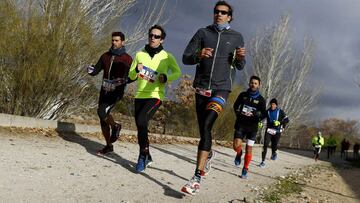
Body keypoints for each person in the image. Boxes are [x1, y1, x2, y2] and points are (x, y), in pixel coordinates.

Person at [181, 0, 246, 195]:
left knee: (208, 125)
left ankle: (196, 178)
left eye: (223, 12)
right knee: (204, 132)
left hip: (221, 90)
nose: (219, 14)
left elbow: (240, 66)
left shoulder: (236, 37)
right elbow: (186, 57)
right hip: (201, 88)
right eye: (216, 11)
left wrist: (241, 58)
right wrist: (198, 55)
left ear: (229, 17)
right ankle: (208, 154)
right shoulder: (203, 33)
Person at [129, 25, 181, 173]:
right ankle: (147, 155)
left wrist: (166, 78)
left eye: (156, 36)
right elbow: (131, 76)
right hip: (140, 94)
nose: (153, 38)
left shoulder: (167, 56)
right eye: (151, 35)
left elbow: (177, 73)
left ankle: (142, 156)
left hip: (156, 95)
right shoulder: (140, 54)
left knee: (141, 119)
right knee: (141, 125)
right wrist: (136, 70)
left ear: (162, 40)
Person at [87, 32, 133, 154]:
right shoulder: (105, 56)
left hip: (116, 92)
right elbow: (96, 70)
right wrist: (90, 70)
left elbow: (134, 76)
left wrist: (124, 80)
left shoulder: (127, 59)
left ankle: (116, 126)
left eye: (117, 40)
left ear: (123, 42)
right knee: (102, 118)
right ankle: (108, 145)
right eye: (113, 40)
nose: (114, 42)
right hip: (104, 91)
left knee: (102, 112)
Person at [232, 76, 266, 178]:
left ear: (259, 85)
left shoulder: (261, 100)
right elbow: (235, 106)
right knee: (235, 145)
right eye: (252, 82)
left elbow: (264, 114)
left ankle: (245, 168)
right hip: (241, 124)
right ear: (249, 83)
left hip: (252, 127)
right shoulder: (243, 95)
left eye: (255, 83)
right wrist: (238, 113)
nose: (253, 85)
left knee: (249, 148)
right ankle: (239, 153)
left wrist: (257, 114)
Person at [259, 98, 289, 168]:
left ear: (276, 105)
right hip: (269, 130)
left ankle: (274, 152)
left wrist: (279, 122)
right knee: (265, 144)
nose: (272, 106)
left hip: (277, 131)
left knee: (274, 145)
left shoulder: (280, 111)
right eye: (271, 104)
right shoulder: (268, 111)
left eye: (274, 104)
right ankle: (263, 161)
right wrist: (260, 122)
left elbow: (287, 120)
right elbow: (261, 117)